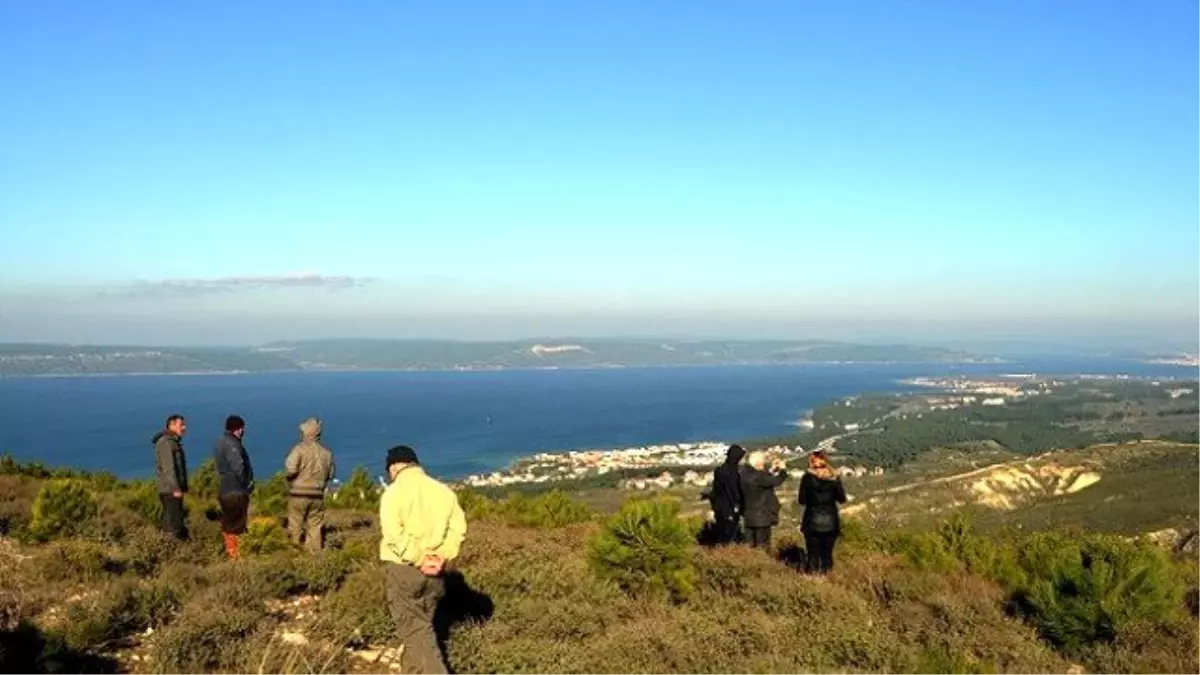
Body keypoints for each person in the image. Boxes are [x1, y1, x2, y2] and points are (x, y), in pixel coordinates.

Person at [379, 445, 467, 675]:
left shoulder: (393, 493)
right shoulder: (444, 492)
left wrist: (418, 558)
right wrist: (442, 556)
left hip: (404, 571)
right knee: (421, 633)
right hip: (436, 573)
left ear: (395, 467)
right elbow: (458, 529)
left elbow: (393, 533)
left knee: (416, 633)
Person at [284, 417, 335, 553]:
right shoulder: (327, 453)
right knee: (316, 525)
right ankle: (315, 555)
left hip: (298, 494)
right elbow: (331, 474)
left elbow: (291, 469)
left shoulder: (299, 449)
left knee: (295, 524)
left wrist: (289, 479)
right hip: (317, 495)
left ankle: (294, 552)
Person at [798, 450, 848, 574]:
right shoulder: (834, 478)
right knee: (827, 555)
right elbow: (842, 499)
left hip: (811, 521)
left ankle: (812, 580)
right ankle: (828, 579)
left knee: (812, 555)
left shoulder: (807, 478)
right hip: (830, 522)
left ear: (811, 463)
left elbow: (802, 500)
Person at [214, 415, 254, 560]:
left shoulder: (220, 442)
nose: (243, 431)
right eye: (242, 428)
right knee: (237, 525)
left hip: (225, 488)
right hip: (235, 490)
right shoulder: (233, 444)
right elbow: (239, 467)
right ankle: (235, 555)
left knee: (229, 523)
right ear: (237, 429)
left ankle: (230, 552)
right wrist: (246, 484)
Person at [740, 450, 788, 549]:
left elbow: (763, 479)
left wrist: (771, 470)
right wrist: (783, 470)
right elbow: (776, 481)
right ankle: (762, 563)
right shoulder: (759, 477)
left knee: (750, 546)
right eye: (763, 463)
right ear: (758, 463)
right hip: (762, 517)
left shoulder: (743, 474)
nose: (764, 465)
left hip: (748, 517)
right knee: (763, 547)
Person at [152, 414, 189, 541]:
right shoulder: (166, 443)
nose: (184, 428)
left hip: (172, 490)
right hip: (170, 490)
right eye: (181, 425)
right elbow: (169, 468)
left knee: (173, 522)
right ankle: (174, 552)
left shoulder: (173, 442)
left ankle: (169, 549)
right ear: (171, 425)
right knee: (175, 525)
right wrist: (175, 488)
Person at [708, 444, 746, 545]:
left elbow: (716, 490)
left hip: (719, 508)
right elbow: (735, 492)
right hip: (730, 509)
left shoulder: (719, 470)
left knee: (722, 535)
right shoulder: (732, 473)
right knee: (729, 536)